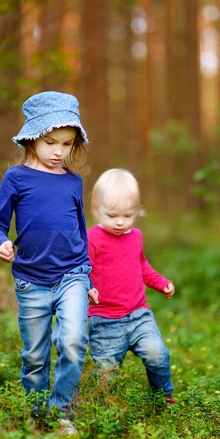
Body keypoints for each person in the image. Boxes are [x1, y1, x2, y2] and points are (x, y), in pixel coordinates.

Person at [0, 91, 93, 436]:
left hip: (72, 275)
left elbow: (81, 230)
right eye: (50, 142)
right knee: (35, 356)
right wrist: (0, 242)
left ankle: (61, 411)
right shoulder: (15, 178)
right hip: (31, 280)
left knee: (73, 340)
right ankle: (36, 416)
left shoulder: (73, 181)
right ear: (32, 137)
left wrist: (88, 275)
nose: (58, 152)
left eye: (66, 144)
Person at [87, 168, 176, 405]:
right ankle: (106, 409)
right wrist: (84, 289)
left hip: (138, 315)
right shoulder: (92, 239)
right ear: (96, 209)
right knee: (106, 375)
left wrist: (161, 283)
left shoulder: (136, 236)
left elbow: (142, 265)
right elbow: (81, 270)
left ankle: (162, 395)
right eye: (113, 215)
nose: (120, 222)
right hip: (103, 320)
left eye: (128, 216)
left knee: (157, 354)